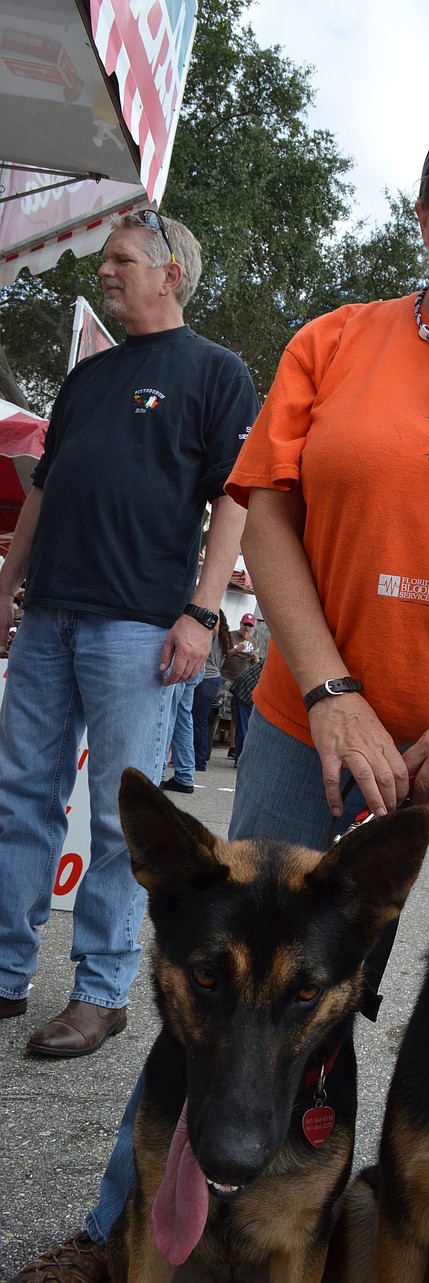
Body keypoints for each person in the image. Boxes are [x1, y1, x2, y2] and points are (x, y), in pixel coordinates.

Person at [16, 108, 429, 1283]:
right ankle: (121, 1228)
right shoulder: (335, 340)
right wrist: (331, 690)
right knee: (223, 972)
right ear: (422, 212)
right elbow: (267, 507)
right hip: (315, 720)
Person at [0, 211, 259, 1058]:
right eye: (106, 258)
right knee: (20, 797)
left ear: (169, 273)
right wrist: (7, 584)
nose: (104, 270)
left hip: (140, 627)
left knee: (124, 819)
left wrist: (200, 611)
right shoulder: (88, 377)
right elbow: (45, 489)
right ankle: (5, 972)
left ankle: (102, 992)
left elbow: (235, 498)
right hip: (48, 616)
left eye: (119, 259)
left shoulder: (217, 373)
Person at [191, 610, 229, 772]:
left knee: (196, 720)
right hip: (215, 679)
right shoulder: (224, 639)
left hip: (205, 678)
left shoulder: (209, 634)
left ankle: (198, 760)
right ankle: (202, 757)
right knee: (206, 721)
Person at [221, 610, 260, 763]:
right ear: (240, 624)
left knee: (236, 715)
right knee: (219, 710)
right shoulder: (231, 636)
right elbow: (225, 654)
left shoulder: (253, 641)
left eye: (250, 626)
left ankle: (233, 746)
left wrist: (255, 659)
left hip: (241, 681)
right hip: (225, 677)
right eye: (245, 624)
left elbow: (252, 662)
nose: (247, 628)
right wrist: (237, 650)